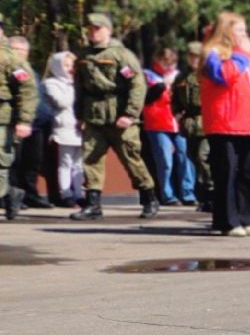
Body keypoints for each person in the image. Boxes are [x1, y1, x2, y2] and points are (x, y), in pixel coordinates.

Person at [70, 12, 153, 220]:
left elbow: (137, 85)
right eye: (89, 28)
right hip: (93, 114)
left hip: (119, 114)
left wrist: (130, 114)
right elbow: (79, 88)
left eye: (97, 28)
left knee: (131, 159)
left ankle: (149, 198)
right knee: (91, 159)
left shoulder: (121, 55)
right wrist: (79, 114)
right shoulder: (83, 56)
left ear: (108, 30)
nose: (92, 32)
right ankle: (93, 205)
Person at [196, 12, 250, 235]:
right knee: (227, 172)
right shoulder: (213, 54)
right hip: (225, 124)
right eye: (239, 30)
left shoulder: (249, 59)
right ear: (226, 31)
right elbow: (223, 76)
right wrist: (242, 55)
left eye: (245, 30)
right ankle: (228, 221)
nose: (244, 35)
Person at [139, 48, 192, 207]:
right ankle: (167, 195)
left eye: (172, 64)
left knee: (185, 157)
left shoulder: (179, 75)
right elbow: (145, 99)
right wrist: (163, 85)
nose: (169, 67)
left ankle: (188, 192)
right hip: (157, 123)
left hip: (177, 122)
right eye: (165, 63)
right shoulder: (147, 75)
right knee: (164, 161)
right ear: (157, 61)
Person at [0, 24, 36, 220]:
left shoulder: (10, 58)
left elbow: (28, 90)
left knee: (0, 163)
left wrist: (24, 120)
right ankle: (11, 194)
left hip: (3, 120)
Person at [42, 52, 82, 207]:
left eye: (71, 65)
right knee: (65, 162)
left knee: (79, 164)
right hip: (63, 128)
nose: (69, 69)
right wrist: (72, 86)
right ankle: (66, 193)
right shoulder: (52, 83)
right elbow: (62, 102)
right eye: (65, 65)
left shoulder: (77, 82)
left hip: (79, 127)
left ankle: (79, 193)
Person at [174, 41, 209, 208]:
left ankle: (212, 191)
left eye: (197, 56)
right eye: (191, 56)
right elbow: (174, 97)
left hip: (207, 122)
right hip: (190, 124)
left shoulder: (208, 73)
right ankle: (203, 196)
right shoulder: (182, 76)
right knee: (193, 158)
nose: (194, 60)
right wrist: (176, 112)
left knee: (204, 157)